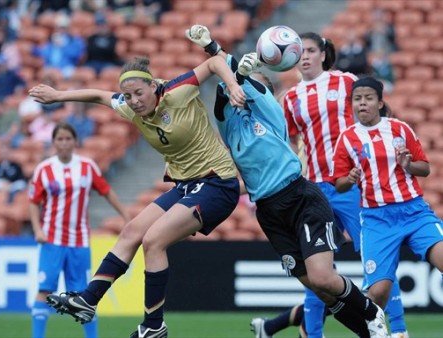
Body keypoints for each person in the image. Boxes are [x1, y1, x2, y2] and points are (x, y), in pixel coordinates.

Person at [186, 24, 388, 338]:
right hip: (269, 212)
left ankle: (371, 311)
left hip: (299, 197)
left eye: (253, 83)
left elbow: (241, 81)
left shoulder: (269, 110)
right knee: (321, 292)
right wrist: (225, 67)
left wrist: (219, 52)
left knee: (323, 279)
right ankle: (371, 333)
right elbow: (224, 90)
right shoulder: (229, 124)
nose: (242, 87)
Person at [28, 49, 246, 338]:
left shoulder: (177, 91)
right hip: (185, 185)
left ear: (154, 86)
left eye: (139, 94)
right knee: (132, 231)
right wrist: (58, 96)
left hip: (217, 183)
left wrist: (233, 86)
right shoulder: (129, 107)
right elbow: (98, 95)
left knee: (153, 241)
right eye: (128, 96)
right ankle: (88, 300)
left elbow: (215, 61)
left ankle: (153, 326)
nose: (134, 101)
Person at [253, 32, 408, 338]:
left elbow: (381, 114)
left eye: (312, 50)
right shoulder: (292, 98)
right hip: (313, 191)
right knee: (317, 269)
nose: (307, 56)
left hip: (350, 186)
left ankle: (399, 330)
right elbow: (288, 141)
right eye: (303, 52)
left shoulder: (346, 82)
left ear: (323, 54)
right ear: (294, 56)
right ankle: (313, 335)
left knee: (377, 260)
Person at [333, 76, 443, 335]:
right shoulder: (347, 139)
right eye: (357, 99)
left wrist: (408, 165)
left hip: (414, 212)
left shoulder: (400, 129)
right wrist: (348, 180)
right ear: (351, 104)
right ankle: (375, 331)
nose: (363, 103)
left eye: (368, 98)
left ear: (380, 102)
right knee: (378, 293)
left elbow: (424, 168)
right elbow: (338, 184)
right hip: (376, 219)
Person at [29, 122, 129, 338]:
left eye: (68, 138)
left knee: (84, 294)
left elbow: (106, 191)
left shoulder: (87, 166)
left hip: (79, 240)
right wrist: (37, 229)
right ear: (54, 142)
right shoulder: (44, 169)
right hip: (51, 239)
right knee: (44, 290)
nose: (64, 143)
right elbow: (33, 201)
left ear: (75, 141)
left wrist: (126, 217)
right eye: (60, 139)